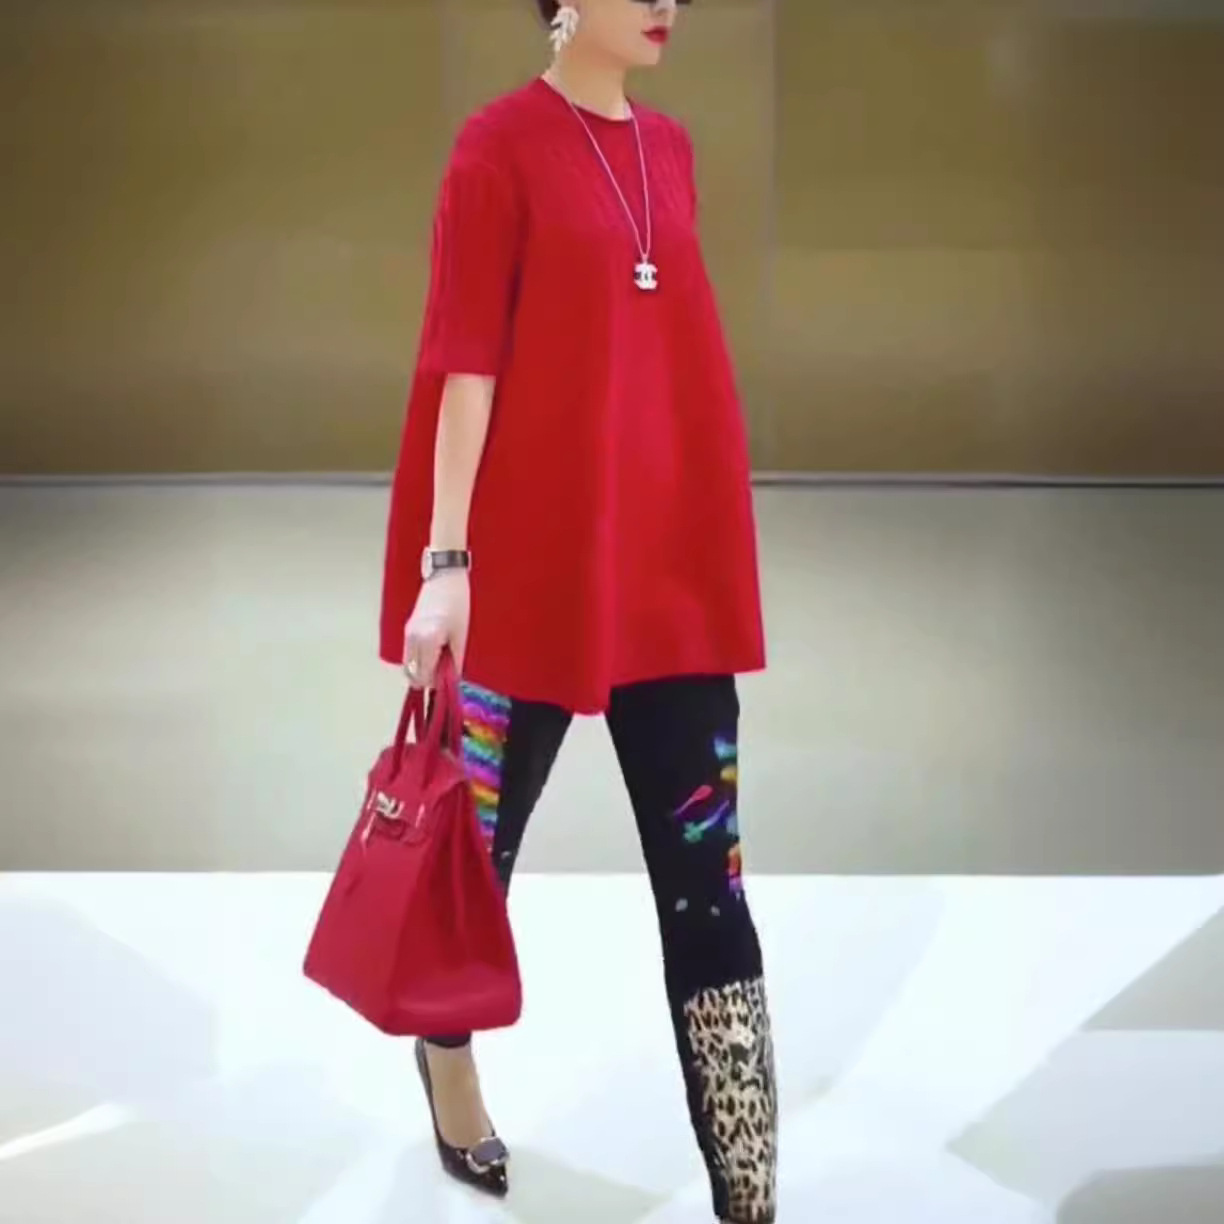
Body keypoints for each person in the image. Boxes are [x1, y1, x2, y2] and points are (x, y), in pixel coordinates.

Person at [378, 1, 779, 1220]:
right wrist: (447, 561)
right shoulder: (495, 147)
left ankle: (752, 1190)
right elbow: (465, 363)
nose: (665, 3)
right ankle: (449, 1068)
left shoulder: (673, 149)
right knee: (472, 862)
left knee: (709, 879)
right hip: (525, 574)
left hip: (666, 574)